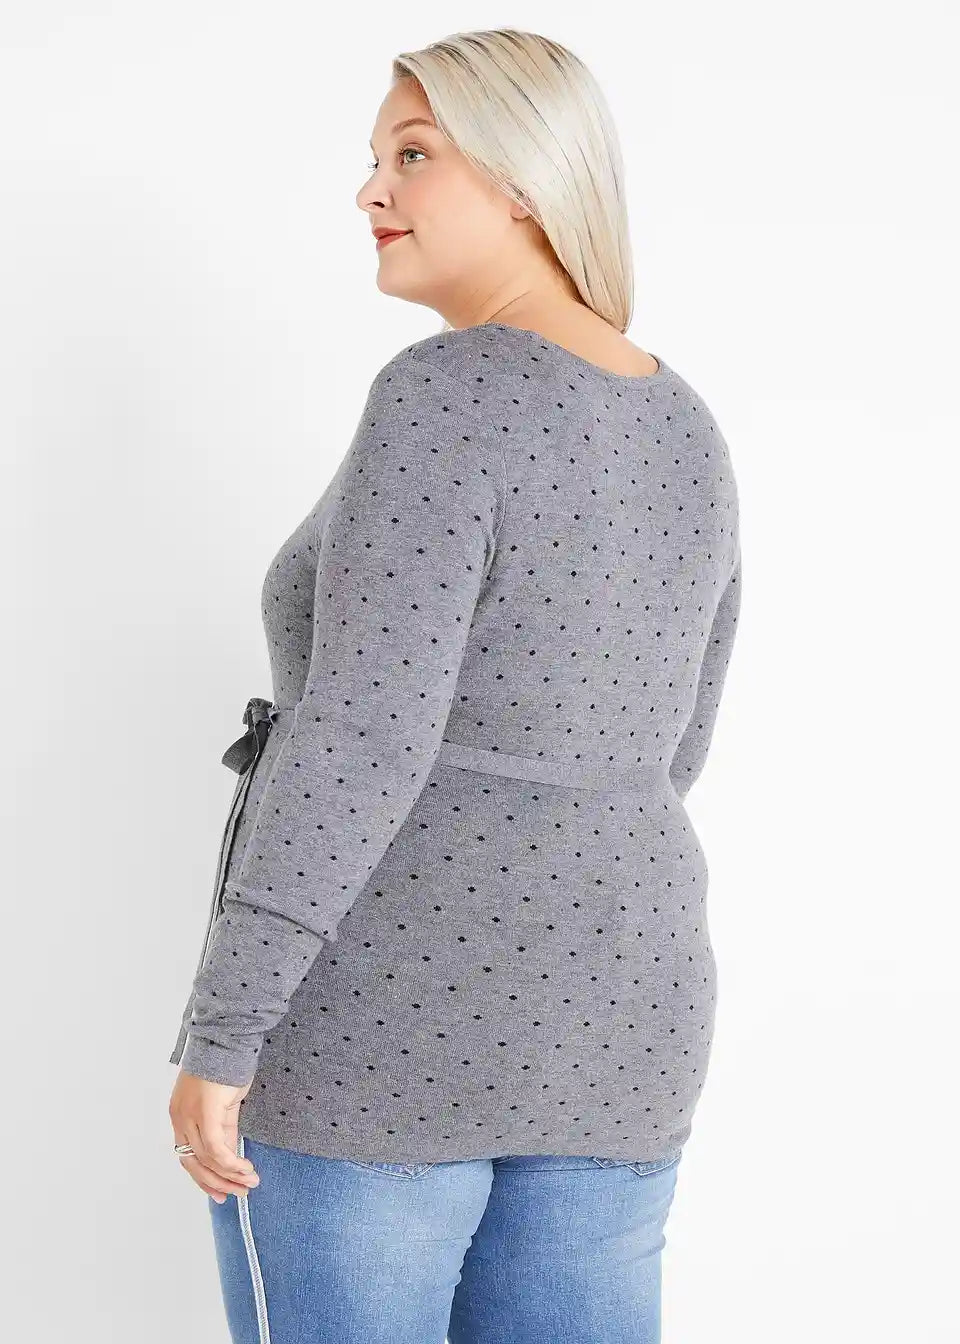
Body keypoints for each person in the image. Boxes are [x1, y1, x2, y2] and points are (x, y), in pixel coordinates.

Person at [168, 27, 743, 1344]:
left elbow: (361, 739)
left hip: (388, 1028)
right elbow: (675, 745)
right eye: (376, 158)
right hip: (624, 1022)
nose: (371, 190)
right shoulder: (683, 422)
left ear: (526, 179)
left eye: (413, 155)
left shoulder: (444, 395)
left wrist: (228, 1027)